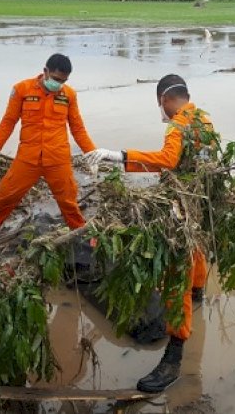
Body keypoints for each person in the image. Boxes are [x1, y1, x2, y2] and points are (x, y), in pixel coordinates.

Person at [86, 74, 212, 393]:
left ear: (166, 99)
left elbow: (167, 160)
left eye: (160, 105)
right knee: (198, 251)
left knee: (174, 278)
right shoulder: (203, 119)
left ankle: (174, 357)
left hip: (183, 206)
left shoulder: (178, 125)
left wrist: (120, 156)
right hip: (203, 203)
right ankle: (199, 293)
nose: (162, 111)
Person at [0, 54, 102, 250]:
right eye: (56, 79)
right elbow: (9, 121)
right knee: (6, 197)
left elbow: (78, 128)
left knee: (68, 201)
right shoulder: (21, 89)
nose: (59, 84)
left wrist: (91, 153)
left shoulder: (69, 95)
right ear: (45, 71)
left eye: (64, 81)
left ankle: (83, 239)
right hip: (28, 157)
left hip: (58, 157)